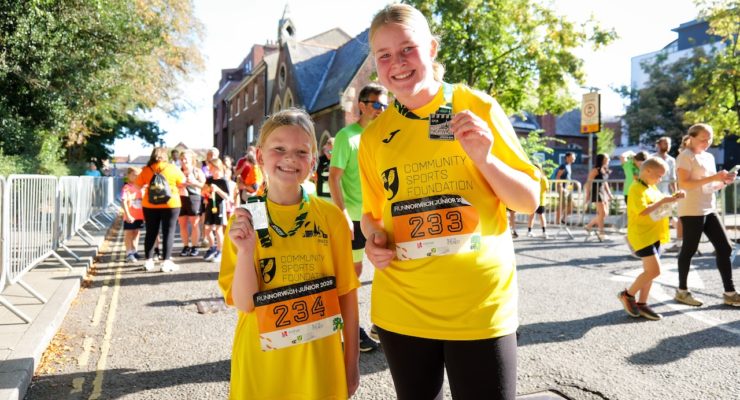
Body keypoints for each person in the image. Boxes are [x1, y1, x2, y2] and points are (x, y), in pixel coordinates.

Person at [359, 5, 540, 399]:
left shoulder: (474, 106)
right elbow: (372, 218)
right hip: (402, 308)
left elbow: (527, 201)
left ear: (432, 48)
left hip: (480, 305)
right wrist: (374, 242)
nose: (397, 63)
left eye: (408, 49)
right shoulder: (375, 137)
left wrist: (486, 159)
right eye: (384, 55)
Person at [218, 108, 360, 398]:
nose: (290, 159)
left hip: (319, 358)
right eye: (279, 148)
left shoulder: (330, 216)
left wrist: (352, 363)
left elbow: (346, 294)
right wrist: (245, 252)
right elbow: (245, 304)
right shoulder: (246, 219)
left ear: (313, 159)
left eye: (301, 151)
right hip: (263, 361)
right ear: (260, 156)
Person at [329, 82, 387, 353]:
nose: (381, 110)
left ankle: (381, 324)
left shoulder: (384, 134)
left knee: (390, 268)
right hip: (353, 217)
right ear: (362, 105)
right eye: (376, 104)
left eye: (385, 105)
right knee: (354, 274)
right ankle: (351, 330)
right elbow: (334, 177)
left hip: (381, 216)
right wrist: (340, 212)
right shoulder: (346, 136)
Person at [673, 123, 739, 307]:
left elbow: (710, 186)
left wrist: (724, 181)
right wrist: (715, 177)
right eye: (703, 139)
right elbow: (685, 184)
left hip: (708, 208)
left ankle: (730, 292)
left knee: (725, 248)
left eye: (710, 138)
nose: (707, 142)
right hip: (691, 210)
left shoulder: (709, 157)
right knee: (689, 250)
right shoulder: (685, 156)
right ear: (691, 137)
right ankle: (682, 291)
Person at [618, 157, 686, 320]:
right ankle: (627, 295)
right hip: (642, 236)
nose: (660, 178)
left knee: (649, 272)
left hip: (653, 234)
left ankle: (642, 303)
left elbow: (660, 204)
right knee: (654, 271)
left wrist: (674, 197)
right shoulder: (636, 188)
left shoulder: (651, 187)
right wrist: (664, 200)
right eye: (659, 175)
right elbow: (643, 210)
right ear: (647, 171)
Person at [134, 147, 186, 272]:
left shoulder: (146, 170)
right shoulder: (172, 168)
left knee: (151, 232)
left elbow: (137, 185)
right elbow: (183, 182)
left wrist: (147, 185)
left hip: (150, 204)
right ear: (165, 156)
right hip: (171, 203)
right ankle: (166, 262)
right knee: (169, 232)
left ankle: (149, 261)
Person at [653, 136, 681, 253]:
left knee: (667, 218)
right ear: (659, 144)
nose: (667, 146)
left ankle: (679, 241)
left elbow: (672, 178)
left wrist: (675, 194)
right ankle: (654, 244)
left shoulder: (671, 160)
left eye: (669, 144)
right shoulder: (652, 158)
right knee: (657, 219)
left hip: (665, 193)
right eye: (665, 143)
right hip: (654, 194)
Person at [201, 158, 231, 263]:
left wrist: (217, 189)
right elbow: (203, 192)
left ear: (218, 168)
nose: (210, 169)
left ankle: (220, 250)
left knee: (218, 230)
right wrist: (206, 193)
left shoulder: (223, 181)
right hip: (210, 205)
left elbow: (227, 197)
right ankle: (212, 247)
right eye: (210, 168)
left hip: (219, 206)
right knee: (207, 228)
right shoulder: (209, 179)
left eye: (212, 167)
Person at [177, 149, 206, 257]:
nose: (183, 161)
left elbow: (204, 186)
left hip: (194, 198)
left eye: (185, 159)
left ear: (192, 160)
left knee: (194, 224)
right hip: (180, 198)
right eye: (181, 159)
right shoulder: (178, 171)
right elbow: (172, 184)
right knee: (182, 224)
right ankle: (186, 246)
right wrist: (180, 185)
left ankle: (194, 246)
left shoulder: (197, 171)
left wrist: (194, 182)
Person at [584, 153, 613, 241]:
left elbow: (605, 182)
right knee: (602, 213)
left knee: (604, 213)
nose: (609, 160)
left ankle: (588, 226)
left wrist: (609, 193)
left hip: (603, 192)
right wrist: (587, 195)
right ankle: (601, 233)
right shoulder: (595, 170)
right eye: (607, 158)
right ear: (602, 159)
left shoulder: (604, 169)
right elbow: (588, 183)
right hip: (597, 193)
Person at [121, 167, 144, 263]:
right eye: (134, 174)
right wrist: (128, 215)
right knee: (129, 233)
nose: (137, 176)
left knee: (136, 232)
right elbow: (124, 202)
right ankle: (128, 253)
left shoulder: (141, 187)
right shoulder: (126, 187)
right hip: (130, 215)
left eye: (138, 175)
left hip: (140, 215)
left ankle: (135, 250)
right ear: (128, 175)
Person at [527, 163, 549, 239]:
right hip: (541, 200)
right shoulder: (544, 178)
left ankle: (529, 231)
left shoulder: (531, 177)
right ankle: (544, 231)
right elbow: (547, 189)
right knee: (541, 216)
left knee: (531, 216)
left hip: (533, 199)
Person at [554, 152, 575, 225]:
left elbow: (568, 178)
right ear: (568, 157)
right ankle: (557, 221)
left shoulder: (569, 166)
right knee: (562, 205)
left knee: (572, 204)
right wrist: (560, 187)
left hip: (568, 189)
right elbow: (558, 177)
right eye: (573, 157)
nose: (574, 158)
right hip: (562, 188)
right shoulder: (563, 166)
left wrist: (570, 188)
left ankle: (563, 218)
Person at [315, 135, 334, 199]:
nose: (329, 154)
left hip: (334, 195)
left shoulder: (339, 160)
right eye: (327, 151)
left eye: (331, 151)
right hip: (321, 194)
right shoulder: (320, 160)